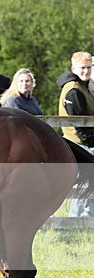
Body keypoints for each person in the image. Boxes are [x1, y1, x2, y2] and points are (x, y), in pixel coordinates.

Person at [57, 51, 94, 216]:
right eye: (82, 68)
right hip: (79, 143)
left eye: (88, 67)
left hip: (84, 143)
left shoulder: (82, 85)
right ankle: (74, 220)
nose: (86, 71)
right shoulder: (73, 89)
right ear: (73, 68)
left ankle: (87, 218)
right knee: (82, 185)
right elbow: (79, 125)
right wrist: (91, 144)